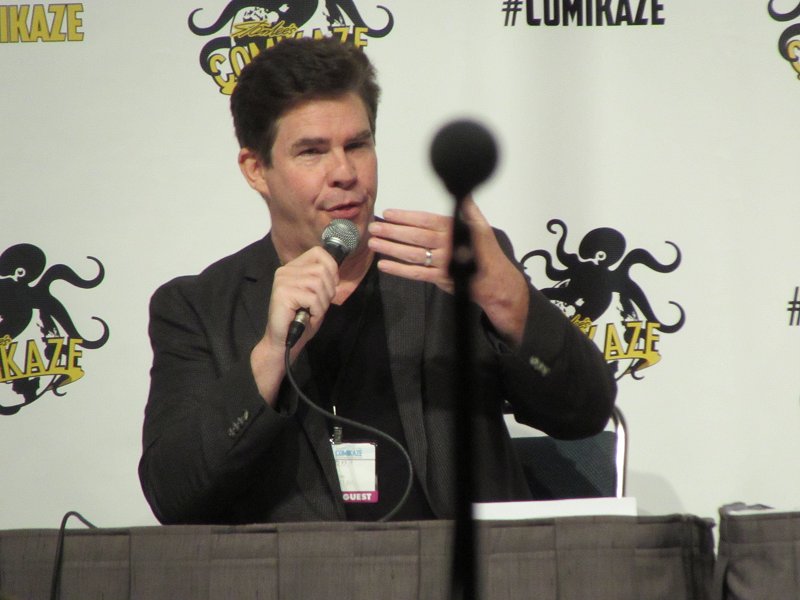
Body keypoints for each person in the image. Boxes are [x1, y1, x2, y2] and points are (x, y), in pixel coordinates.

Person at [138, 37, 616, 525]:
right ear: (257, 169)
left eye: (357, 145)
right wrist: (271, 354)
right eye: (312, 152)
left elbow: (583, 413)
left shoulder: (454, 274)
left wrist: (507, 297)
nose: (344, 173)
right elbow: (173, 496)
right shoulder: (198, 309)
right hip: (304, 569)